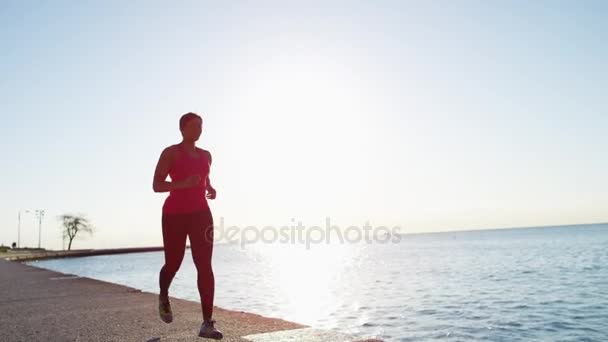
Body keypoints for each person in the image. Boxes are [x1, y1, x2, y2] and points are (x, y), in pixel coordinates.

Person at [153, 112, 222, 339]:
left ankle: (207, 324)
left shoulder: (206, 155)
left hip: (201, 214)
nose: (199, 130)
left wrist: (209, 188)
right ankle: (164, 295)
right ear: (182, 129)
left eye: (201, 126)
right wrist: (183, 184)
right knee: (173, 262)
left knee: (205, 266)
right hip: (174, 215)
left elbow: (204, 178)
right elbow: (157, 185)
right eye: (194, 126)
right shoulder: (171, 152)